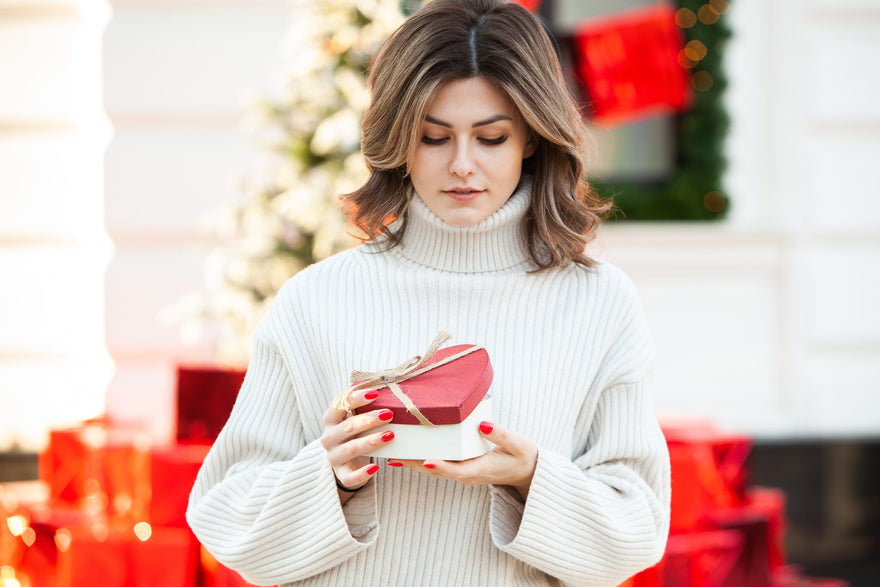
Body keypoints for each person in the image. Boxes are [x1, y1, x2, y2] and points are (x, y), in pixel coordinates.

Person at [186, 0, 671, 585]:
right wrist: (329, 473)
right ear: (397, 140)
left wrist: (531, 477)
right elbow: (223, 516)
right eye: (434, 138)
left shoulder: (598, 303)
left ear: (532, 141)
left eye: (491, 138)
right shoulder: (316, 300)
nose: (462, 165)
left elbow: (638, 529)